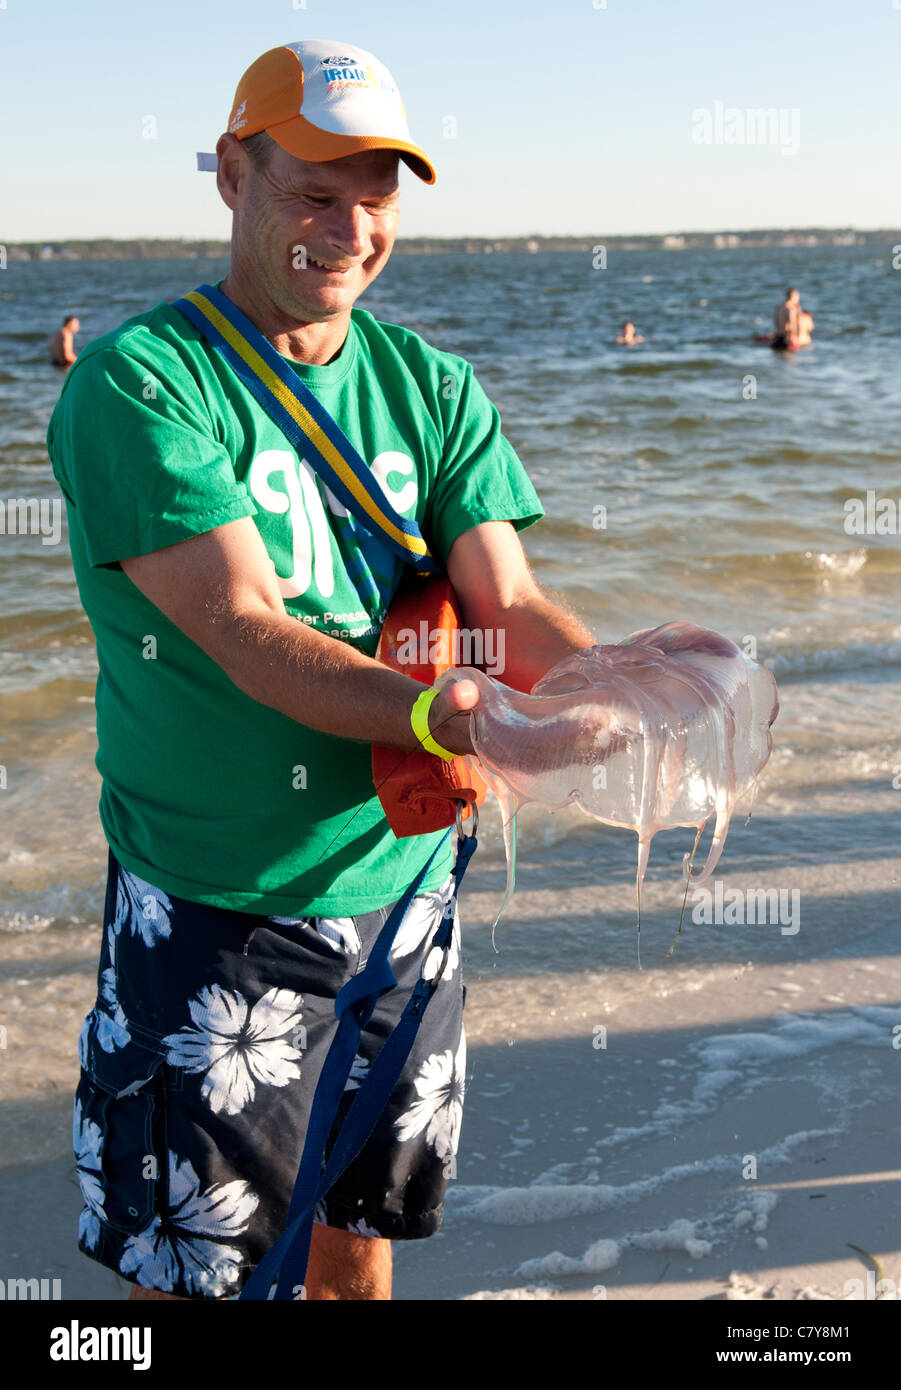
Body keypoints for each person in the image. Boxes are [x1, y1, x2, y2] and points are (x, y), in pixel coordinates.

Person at [47, 40, 595, 1303]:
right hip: (218, 908)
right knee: (206, 1278)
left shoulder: (432, 384)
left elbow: (505, 602)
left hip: (407, 892)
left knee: (356, 1247)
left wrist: (621, 680)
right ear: (233, 173)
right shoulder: (142, 383)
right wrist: (435, 708)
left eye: (378, 196)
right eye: (314, 191)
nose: (352, 229)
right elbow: (241, 626)